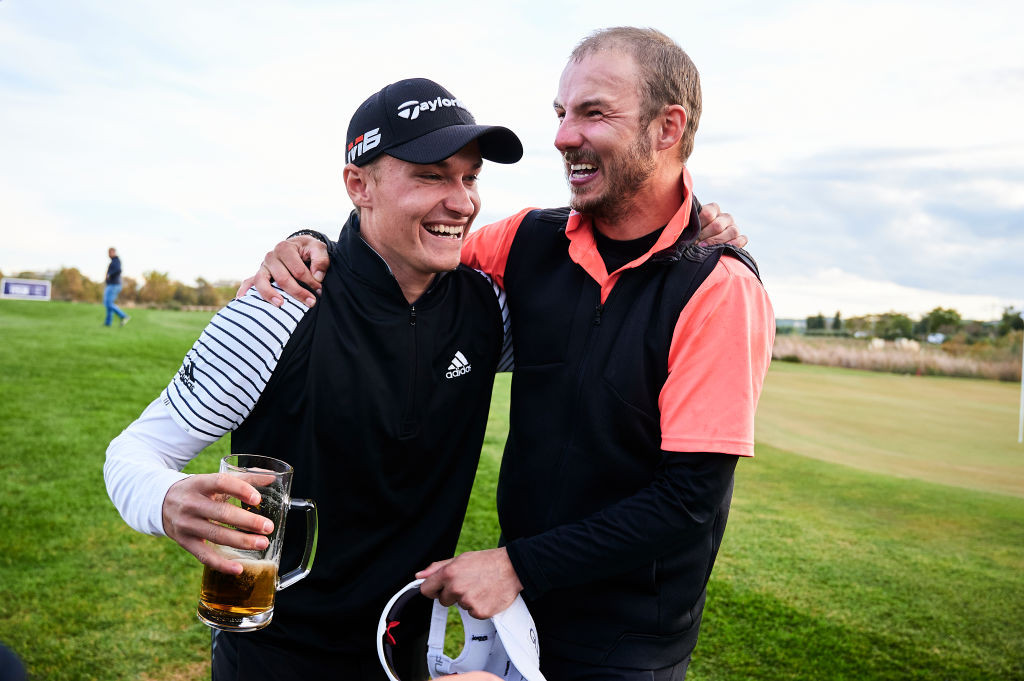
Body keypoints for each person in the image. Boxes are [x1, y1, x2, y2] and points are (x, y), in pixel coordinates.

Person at [251, 27, 774, 681]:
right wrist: (308, 244)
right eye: (561, 113)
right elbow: (401, 247)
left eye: (593, 112)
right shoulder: (529, 240)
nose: (562, 136)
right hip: (515, 617)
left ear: (668, 128)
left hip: (623, 645)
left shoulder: (721, 288)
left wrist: (517, 563)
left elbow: (688, 500)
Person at [105, 77, 526, 680]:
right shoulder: (279, 306)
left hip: (405, 655)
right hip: (275, 660)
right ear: (359, 184)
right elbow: (135, 451)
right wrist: (165, 499)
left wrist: (696, 231)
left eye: (470, 176)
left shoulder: (487, 309)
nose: (461, 201)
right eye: (431, 176)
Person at [103, 247, 129, 327]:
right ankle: (108, 323)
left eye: (110, 252)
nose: (109, 254)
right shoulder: (113, 261)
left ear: (114, 252)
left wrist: (110, 274)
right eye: (108, 253)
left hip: (114, 285)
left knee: (108, 303)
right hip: (112, 285)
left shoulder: (116, 261)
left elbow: (118, 270)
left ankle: (124, 316)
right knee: (108, 304)